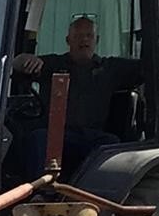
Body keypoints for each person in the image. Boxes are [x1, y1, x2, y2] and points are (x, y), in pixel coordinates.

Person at [8, 14, 143, 176]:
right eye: (78, 36)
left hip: (92, 137)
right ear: (68, 40)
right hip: (58, 136)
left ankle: (95, 193)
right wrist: (25, 59)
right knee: (38, 137)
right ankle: (40, 191)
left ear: (96, 40)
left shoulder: (110, 68)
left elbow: (146, 69)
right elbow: (17, 64)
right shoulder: (52, 64)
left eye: (89, 36)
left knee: (111, 143)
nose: (84, 40)